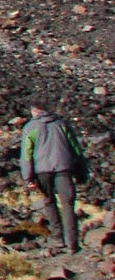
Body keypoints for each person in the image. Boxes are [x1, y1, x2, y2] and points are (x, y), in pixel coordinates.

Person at [21, 103, 87, 253]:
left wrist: (28, 178)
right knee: (68, 204)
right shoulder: (62, 124)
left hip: (42, 171)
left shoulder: (30, 127)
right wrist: (81, 171)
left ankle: (58, 239)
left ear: (34, 111)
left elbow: (26, 154)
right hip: (64, 168)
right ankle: (72, 243)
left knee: (49, 202)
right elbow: (75, 148)